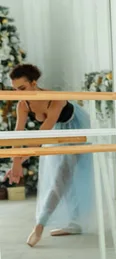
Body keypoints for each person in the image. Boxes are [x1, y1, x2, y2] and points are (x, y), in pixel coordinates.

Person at [5, 63, 95, 247]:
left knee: (63, 176)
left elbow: (43, 134)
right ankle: (74, 223)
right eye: (14, 90)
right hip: (57, 131)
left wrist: (20, 161)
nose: (18, 94)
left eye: (22, 88)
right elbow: (18, 134)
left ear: (34, 82)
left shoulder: (55, 99)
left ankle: (40, 225)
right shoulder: (23, 105)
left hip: (77, 128)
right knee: (63, 176)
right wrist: (16, 162)